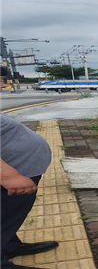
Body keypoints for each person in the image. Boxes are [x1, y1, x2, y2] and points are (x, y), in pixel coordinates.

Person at [1, 112, 59, 269]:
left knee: (8, 215)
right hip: (9, 176)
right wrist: (7, 176)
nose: (3, 85)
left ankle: (7, 245)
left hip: (17, 171)